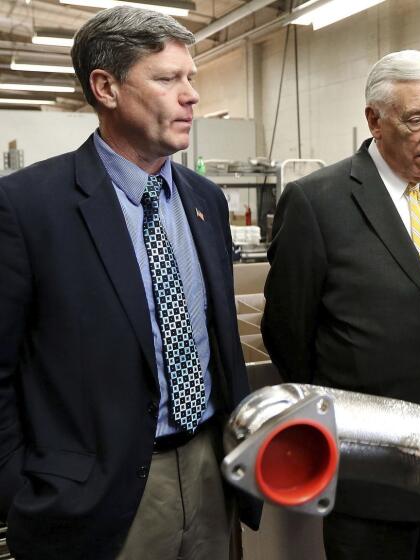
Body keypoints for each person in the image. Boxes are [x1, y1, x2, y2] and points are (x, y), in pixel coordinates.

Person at [0, 7, 260, 559]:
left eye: (191, 78)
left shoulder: (204, 201)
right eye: (167, 79)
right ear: (106, 87)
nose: (190, 95)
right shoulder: (28, 208)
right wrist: (24, 492)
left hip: (212, 469)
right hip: (95, 496)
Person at [262, 50, 420, 559]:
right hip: (370, 478)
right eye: (416, 119)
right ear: (374, 120)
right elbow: (288, 336)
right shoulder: (317, 202)